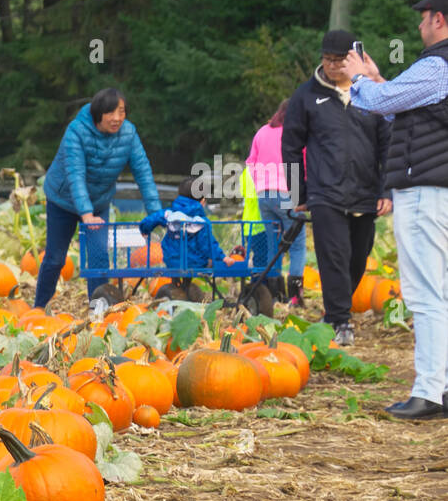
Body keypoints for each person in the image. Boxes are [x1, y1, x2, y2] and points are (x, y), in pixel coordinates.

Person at [343, 0, 448, 420]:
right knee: (440, 292)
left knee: (425, 293)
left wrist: (358, 78)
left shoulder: (437, 65)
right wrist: (379, 79)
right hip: (437, 191)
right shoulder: (435, 72)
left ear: (439, 19)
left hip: (424, 192)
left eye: (423, 18)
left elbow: (378, 103)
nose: (419, 26)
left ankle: (428, 391)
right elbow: (401, 107)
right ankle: (440, 386)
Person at [281, 29, 390, 348]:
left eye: (339, 60)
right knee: (334, 256)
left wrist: (386, 189)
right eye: (327, 59)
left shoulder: (371, 95)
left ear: (354, 59)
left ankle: (335, 312)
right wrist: (298, 193)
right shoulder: (306, 96)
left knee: (358, 257)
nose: (332, 66)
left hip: (365, 191)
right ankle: (340, 320)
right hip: (324, 193)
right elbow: (291, 146)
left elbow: (387, 144)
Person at [35, 88, 162, 308]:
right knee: (55, 259)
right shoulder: (76, 131)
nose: (117, 118)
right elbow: (75, 174)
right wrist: (86, 214)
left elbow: (143, 173)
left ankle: (99, 310)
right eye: (110, 113)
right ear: (98, 114)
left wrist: (157, 213)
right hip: (62, 201)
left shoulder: (129, 133)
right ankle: (38, 308)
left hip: (98, 202)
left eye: (121, 112)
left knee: (99, 257)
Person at [245, 99, 306, 306]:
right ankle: (295, 297)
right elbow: (305, 162)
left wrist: (261, 183)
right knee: (297, 245)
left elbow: (250, 163)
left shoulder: (262, 132)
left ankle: (273, 293)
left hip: (265, 196)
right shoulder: (297, 133)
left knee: (274, 245)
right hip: (289, 193)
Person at [140, 175, 238, 285]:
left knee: (180, 262)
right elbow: (208, 245)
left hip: (171, 260)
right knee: (208, 263)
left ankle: (178, 286)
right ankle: (186, 288)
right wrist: (222, 257)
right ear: (202, 201)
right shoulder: (201, 222)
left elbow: (150, 220)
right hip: (195, 263)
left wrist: (144, 230)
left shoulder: (170, 214)